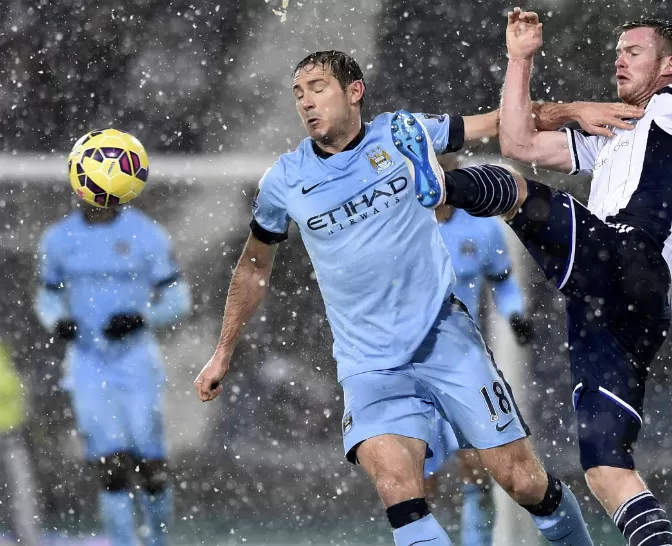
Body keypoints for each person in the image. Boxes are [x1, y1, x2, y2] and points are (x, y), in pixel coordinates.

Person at [393, 8, 672, 546]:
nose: (620, 59)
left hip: (631, 259)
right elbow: (518, 141)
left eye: (634, 52)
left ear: (668, 64)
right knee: (606, 469)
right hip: (614, 305)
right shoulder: (613, 131)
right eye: (618, 52)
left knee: (516, 192)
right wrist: (520, 60)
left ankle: (441, 186)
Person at [192, 50, 636, 546]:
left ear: (354, 91)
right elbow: (254, 265)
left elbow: (499, 121)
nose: (306, 102)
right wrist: (223, 351)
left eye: (318, 87)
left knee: (523, 481)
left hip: (444, 339)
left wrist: (574, 110)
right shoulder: (285, 180)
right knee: (401, 492)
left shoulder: (401, 133)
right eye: (298, 93)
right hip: (368, 366)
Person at [35, 203, 192, 546]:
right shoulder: (59, 238)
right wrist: (58, 320)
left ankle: (158, 542)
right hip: (88, 363)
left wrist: (142, 317)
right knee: (111, 465)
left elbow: (178, 298)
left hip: (136, 362)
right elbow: (47, 297)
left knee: (150, 465)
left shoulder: (148, 233)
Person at [425, 156, 535, 546]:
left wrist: (516, 313)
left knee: (477, 472)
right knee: (415, 484)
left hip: (463, 366)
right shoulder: (401, 227)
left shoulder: (483, 228)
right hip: (411, 368)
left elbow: (502, 280)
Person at [0, 340, 41, 546]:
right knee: (21, 488)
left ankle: (27, 538)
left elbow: (19, 389)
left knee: (22, 489)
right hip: (11, 432)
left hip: (12, 433)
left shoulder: (8, 348)